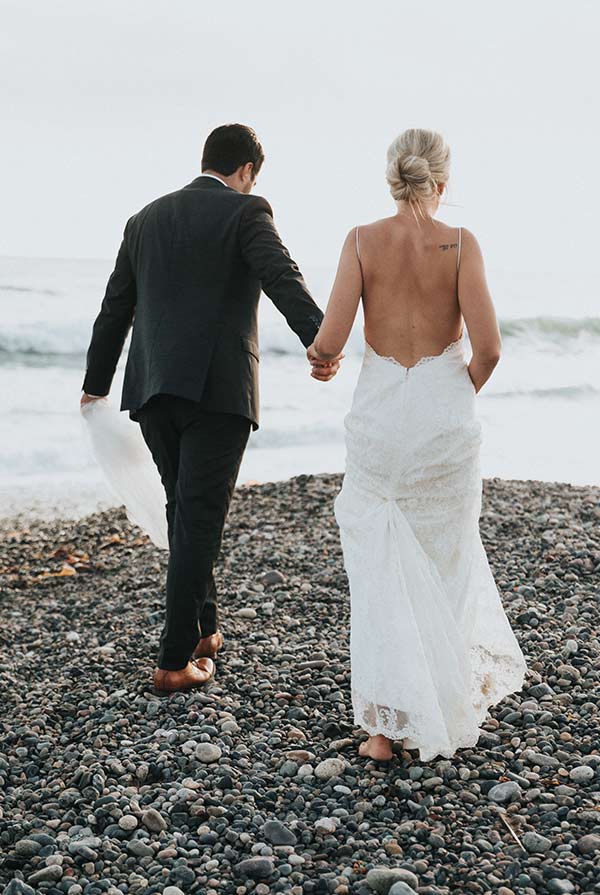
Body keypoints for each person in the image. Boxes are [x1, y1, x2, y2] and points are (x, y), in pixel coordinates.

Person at [81, 123, 340, 693]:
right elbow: (281, 277)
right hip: (219, 391)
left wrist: (95, 383)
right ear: (246, 171)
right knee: (198, 517)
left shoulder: (144, 219)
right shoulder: (247, 214)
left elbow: (115, 307)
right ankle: (174, 663)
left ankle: (204, 631)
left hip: (151, 390)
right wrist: (320, 342)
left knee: (185, 507)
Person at [308, 128, 527, 761]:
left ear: (391, 177)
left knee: (379, 568)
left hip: (380, 420)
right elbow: (487, 349)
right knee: (445, 558)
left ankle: (384, 727)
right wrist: (452, 393)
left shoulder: (360, 241)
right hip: (442, 416)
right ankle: (442, 691)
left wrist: (322, 362)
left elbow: (332, 339)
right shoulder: (459, 245)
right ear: (442, 181)